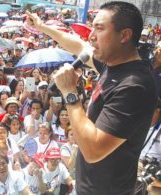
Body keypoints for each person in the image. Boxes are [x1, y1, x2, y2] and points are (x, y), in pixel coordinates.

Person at [27, 1, 158, 194]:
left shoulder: (134, 86)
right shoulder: (112, 64)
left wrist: (70, 93)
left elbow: (93, 151)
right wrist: (42, 27)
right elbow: (78, 45)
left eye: (99, 28)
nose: (91, 36)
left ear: (124, 35)